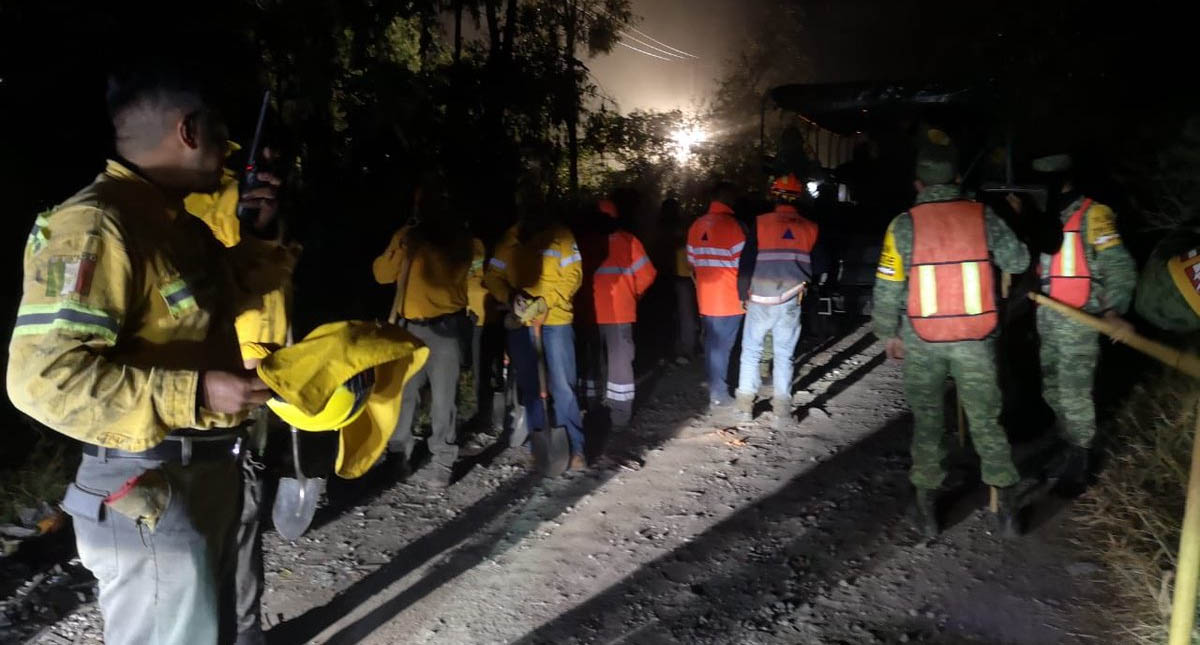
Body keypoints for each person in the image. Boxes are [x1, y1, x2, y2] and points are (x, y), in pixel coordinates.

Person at [6, 63, 277, 644]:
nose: (229, 153)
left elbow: (221, 305)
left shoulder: (174, 224)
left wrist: (258, 235)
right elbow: (43, 379)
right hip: (148, 484)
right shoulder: (97, 224)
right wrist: (197, 391)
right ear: (189, 131)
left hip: (200, 475)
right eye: (222, 135)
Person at [872, 132, 1030, 537]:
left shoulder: (903, 225)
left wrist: (889, 332)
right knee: (987, 422)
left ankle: (927, 513)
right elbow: (1019, 258)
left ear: (918, 184)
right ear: (957, 177)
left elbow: (888, 286)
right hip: (976, 339)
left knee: (928, 424)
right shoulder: (982, 216)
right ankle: (1008, 510)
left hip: (923, 341)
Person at [1031, 153, 1137, 493]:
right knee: (1051, 388)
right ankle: (1067, 441)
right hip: (1049, 317)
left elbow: (1119, 268)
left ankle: (1080, 461)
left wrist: (1113, 311)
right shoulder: (1045, 214)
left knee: (1075, 393)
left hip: (1080, 321)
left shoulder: (1094, 215)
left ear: (1067, 179)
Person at [373, 187, 474, 488]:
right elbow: (381, 274)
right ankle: (397, 455)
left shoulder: (458, 238)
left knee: (444, 398)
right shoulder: (407, 235)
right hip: (409, 330)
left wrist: (423, 246)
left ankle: (443, 458)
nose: (424, 209)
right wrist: (401, 246)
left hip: (446, 329)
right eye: (421, 203)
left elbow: (449, 275)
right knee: (404, 394)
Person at [483, 184, 586, 469]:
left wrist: (544, 302)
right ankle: (538, 443)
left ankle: (576, 449)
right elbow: (492, 277)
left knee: (563, 386)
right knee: (530, 387)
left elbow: (573, 276)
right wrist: (512, 298)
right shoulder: (510, 239)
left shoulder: (562, 236)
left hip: (556, 321)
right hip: (520, 322)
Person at [734, 174, 820, 428]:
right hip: (792, 298)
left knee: (751, 352)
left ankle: (744, 410)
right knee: (784, 354)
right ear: (799, 197)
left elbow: (746, 263)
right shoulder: (810, 227)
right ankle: (782, 414)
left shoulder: (760, 224)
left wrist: (742, 294)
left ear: (772, 195)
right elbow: (821, 263)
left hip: (760, 297)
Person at [576, 199, 657, 430]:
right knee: (620, 363)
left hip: (589, 310)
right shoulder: (628, 240)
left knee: (590, 361)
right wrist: (633, 294)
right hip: (619, 311)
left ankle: (589, 408)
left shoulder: (581, 241)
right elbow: (647, 274)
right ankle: (619, 416)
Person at [687, 182, 748, 410]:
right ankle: (719, 393)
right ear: (728, 200)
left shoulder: (696, 225)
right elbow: (744, 265)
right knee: (723, 347)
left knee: (713, 345)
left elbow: (691, 261)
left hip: (705, 297)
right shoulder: (734, 226)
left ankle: (715, 387)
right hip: (730, 298)